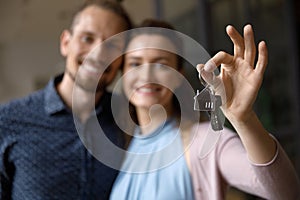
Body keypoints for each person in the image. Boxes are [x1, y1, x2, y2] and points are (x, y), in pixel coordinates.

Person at [109, 19, 300, 200]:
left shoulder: (206, 142)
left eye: (161, 64)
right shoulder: (123, 147)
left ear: (179, 77)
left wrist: (244, 118)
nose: (147, 74)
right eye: (135, 63)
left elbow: (286, 193)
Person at [0, 0, 132, 199]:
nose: (98, 53)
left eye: (113, 45)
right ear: (65, 43)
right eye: (87, 38)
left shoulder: (131, 118)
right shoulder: (8, 119)